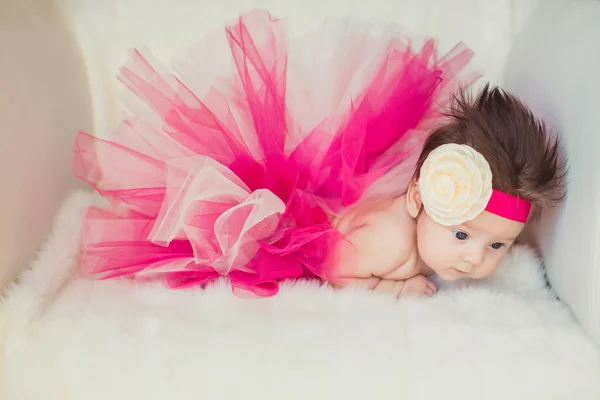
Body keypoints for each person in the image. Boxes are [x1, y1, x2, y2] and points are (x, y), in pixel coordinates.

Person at [72, 9, 566, 298]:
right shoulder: (390, 243)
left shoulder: (430, 234)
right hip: (303, 237)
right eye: (462, 234)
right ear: (418, 198)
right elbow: (333, 271)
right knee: (213, 237)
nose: (476, 259)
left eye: (498, 245)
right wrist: (393, 288)